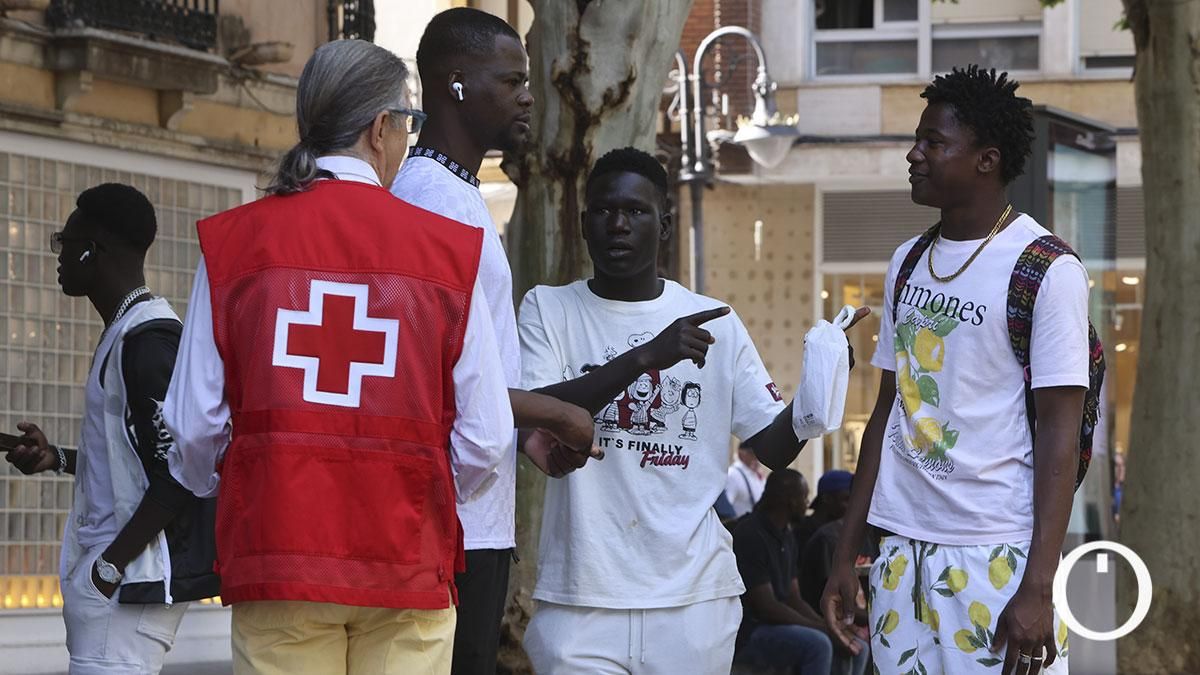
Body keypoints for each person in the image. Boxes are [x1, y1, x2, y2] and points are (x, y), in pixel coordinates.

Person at [164, 40, 515, 675]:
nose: (408, 139)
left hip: (278, 552)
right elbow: (487, 438)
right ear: (381, 128)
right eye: (407, 123)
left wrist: (239, 487)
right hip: (406, 560)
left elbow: (192, 426)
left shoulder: (235, 243)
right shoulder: (449, 252)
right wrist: (422, 493)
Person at [517, 147, 869, 673]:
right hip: (581, 599)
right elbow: (542, 413)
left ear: (664, 225)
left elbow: (770, 448)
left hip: (693, 603)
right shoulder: (547, 308)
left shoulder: (715, 323)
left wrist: (818, 389)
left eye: (635, 212)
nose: (618, 224)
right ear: (582, 222)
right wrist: (644, 358)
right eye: (604, 211)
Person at [822, 66, 1086, 675]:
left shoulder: (1047, 269)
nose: (914, 155)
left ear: (987, 160)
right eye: (918, 140)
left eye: (933, 143)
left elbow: (1060, 431)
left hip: (998, 556)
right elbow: (887, 410)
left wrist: (1039, 585)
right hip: (900, 552)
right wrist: (845, 555)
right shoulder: (907, 261)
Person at [390, 10, 598, 673]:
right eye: (511, 80)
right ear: (455, 83)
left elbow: (474, 365)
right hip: (449, 517)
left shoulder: (456, 192)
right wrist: (556, 412)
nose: (528, 96)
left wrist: (526, 434)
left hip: (473, 513)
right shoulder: (432, 201)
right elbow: (434, 378)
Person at [4, 183, 218, 673]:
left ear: (92, 250)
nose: (59, 256)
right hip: (117, 589)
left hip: (126, 591)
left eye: (64, 242)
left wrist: (107, 568)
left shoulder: (148, 342)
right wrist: (59, 458)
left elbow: (181, 471)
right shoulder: (127, 333)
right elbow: (139, 459)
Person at [733, 470, 869, 675]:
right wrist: (822, 628)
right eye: (804, 497)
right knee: (819, 644)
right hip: (751, 632)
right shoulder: (751, 534)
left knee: (859, 646)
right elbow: (766, 606)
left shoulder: (786, 535)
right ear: (788, 500)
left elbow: (793, 597)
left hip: (778, 625)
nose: (807, 504)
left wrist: (828, 624)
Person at [794, 469, 853, 558]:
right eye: (847, 499)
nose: (853, 506)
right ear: (827, 499)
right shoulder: (803, 534)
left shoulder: (845, 532)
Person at [725, 441, 768, 518]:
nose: (755, 457)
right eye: (751, 453)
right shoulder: (733, 474)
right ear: (741, 454)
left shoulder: (756, 473)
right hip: (741, 526)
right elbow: (726, 507)